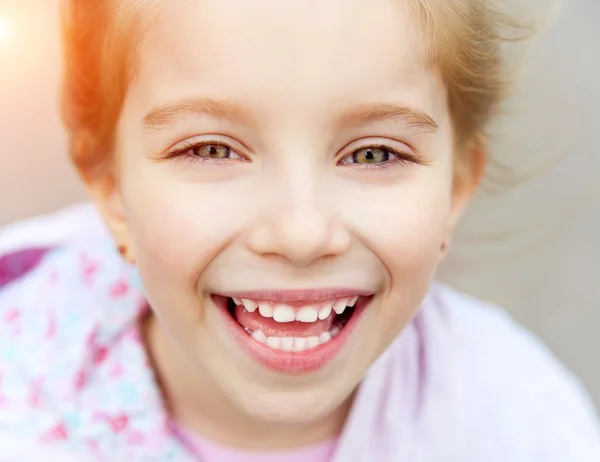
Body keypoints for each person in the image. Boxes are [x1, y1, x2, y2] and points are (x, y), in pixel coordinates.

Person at [0, 0, 599, 460]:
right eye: (212, 148)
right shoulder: (19, 392)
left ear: (455, 190)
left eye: (373, 155)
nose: (301, 234)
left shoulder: (517, 423)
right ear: (112, 188)